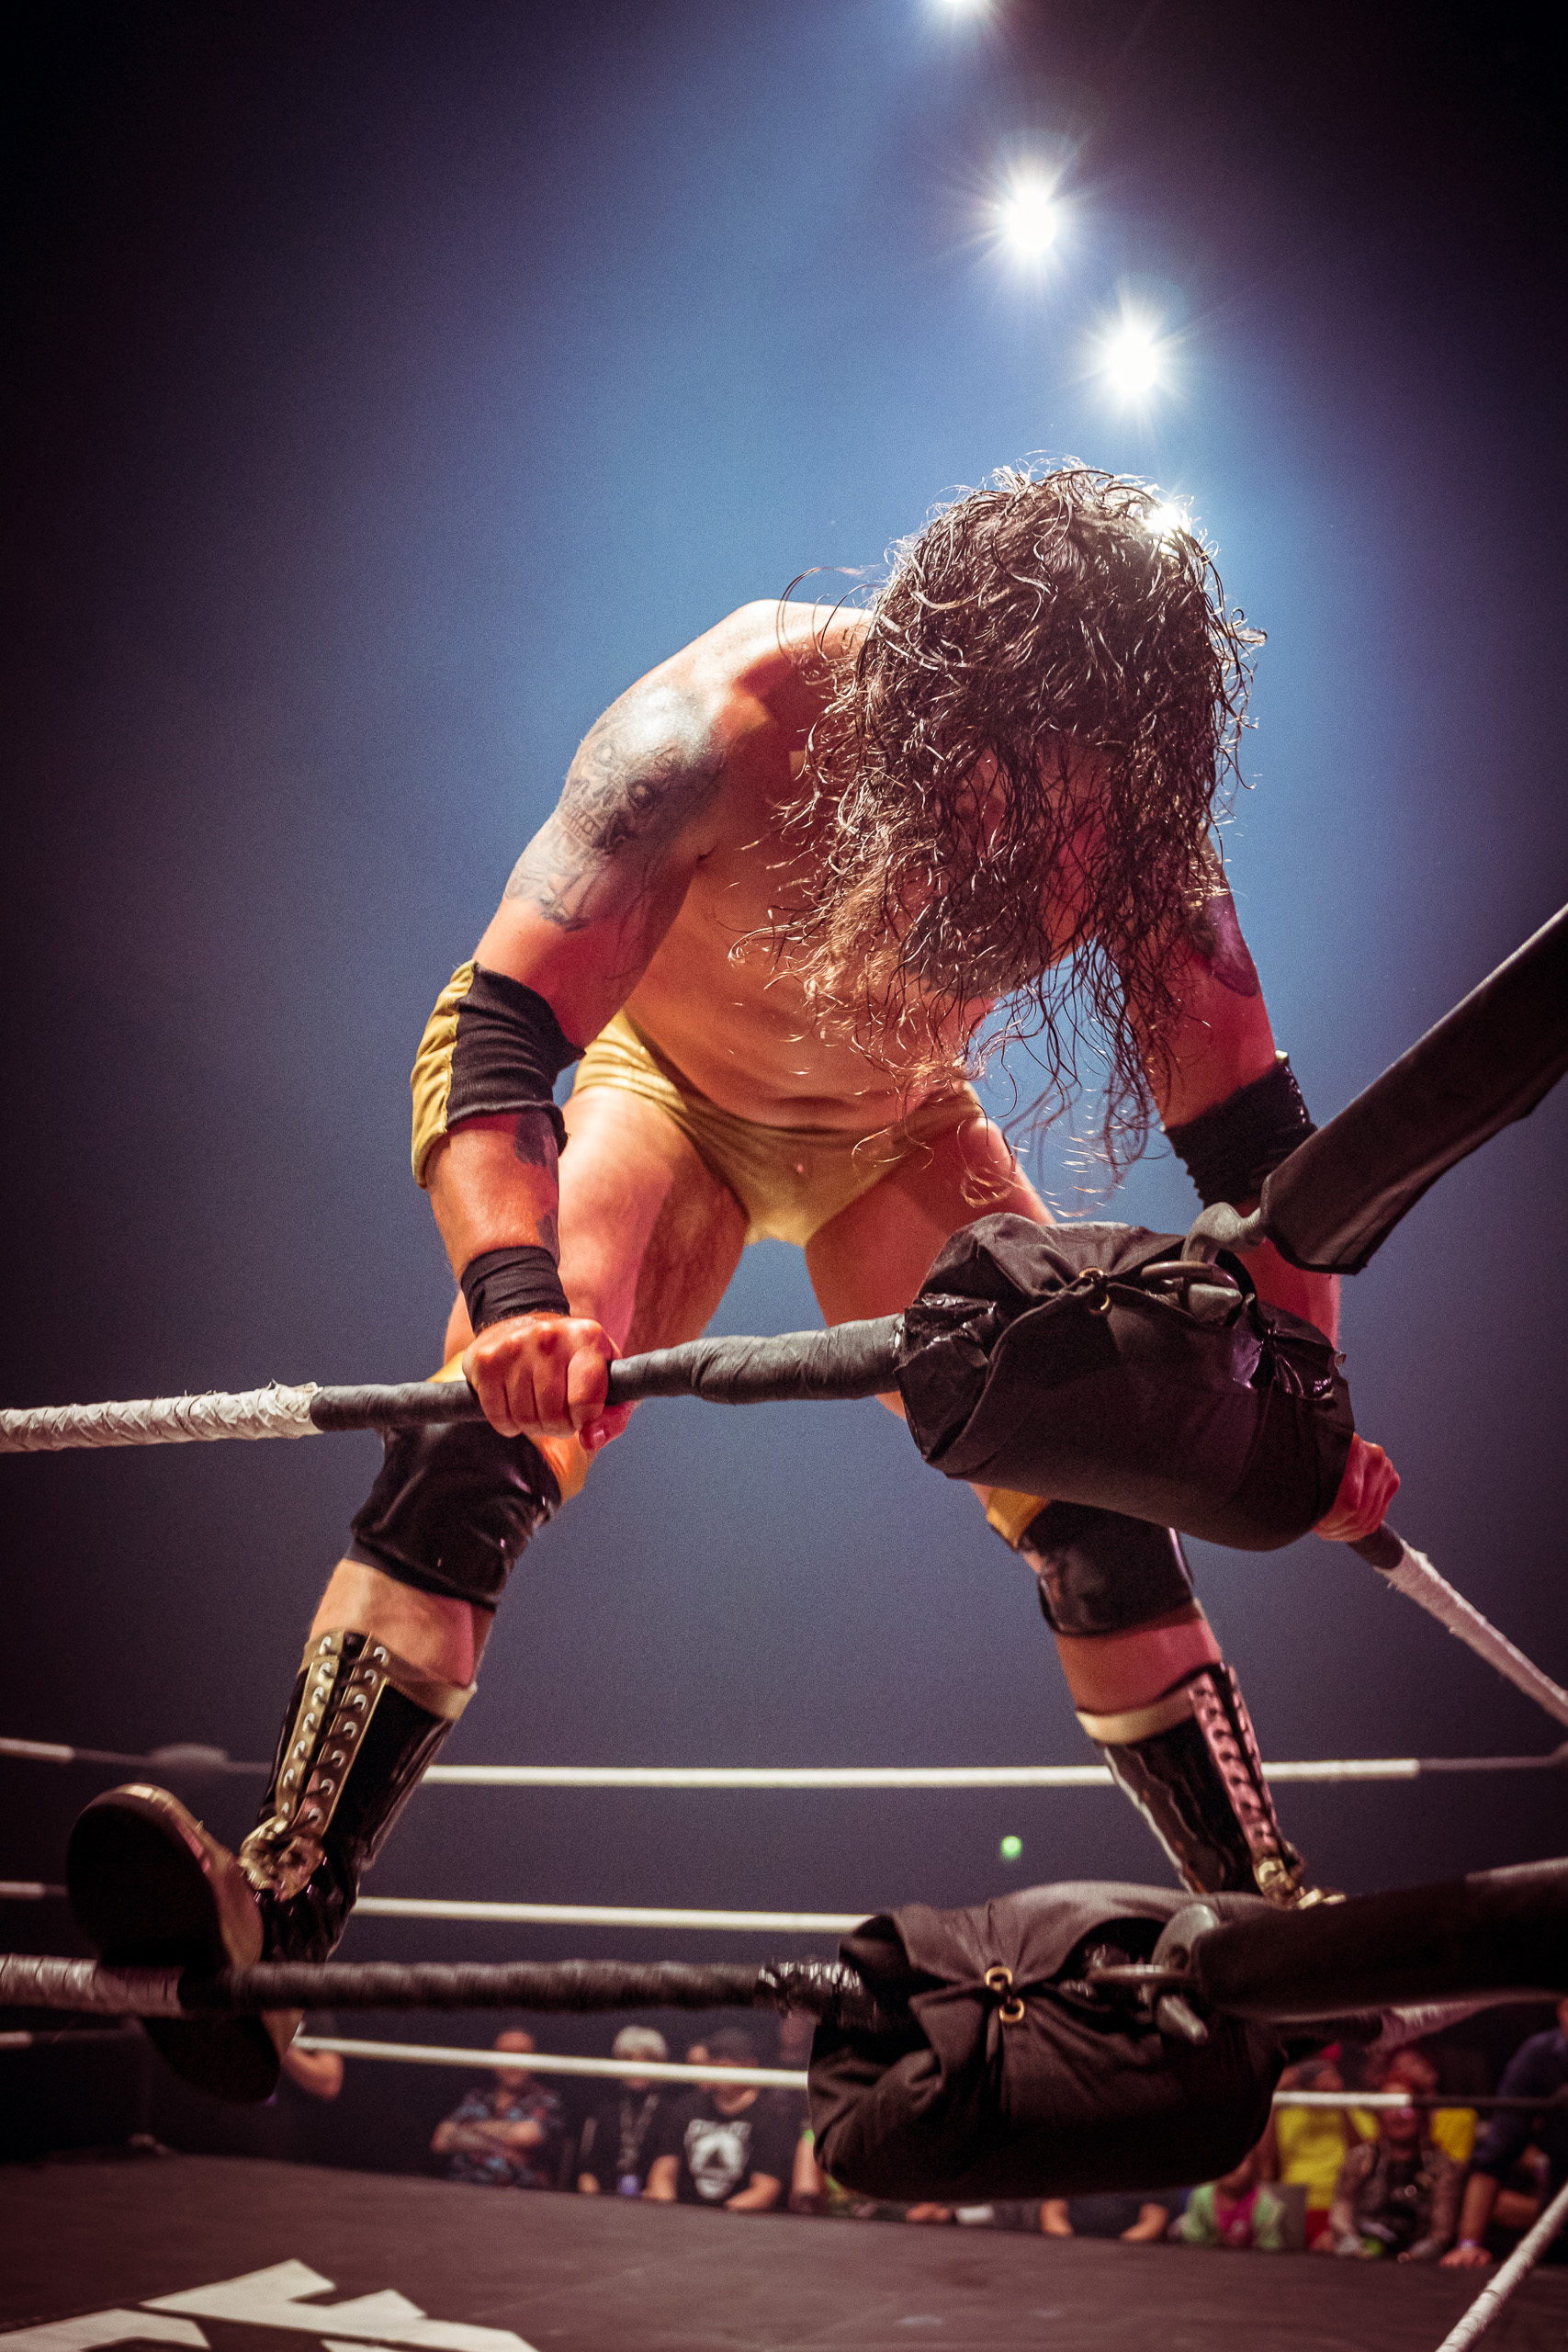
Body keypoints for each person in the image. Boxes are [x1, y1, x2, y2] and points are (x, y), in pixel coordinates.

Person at [64, 463, 1400, 2102]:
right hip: (670, 1098)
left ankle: (1269, 1934)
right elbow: (494, 1028)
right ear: (929, 708)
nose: (1028, 841)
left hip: (900, 1131)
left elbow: (1257, 1154)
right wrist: (511, 1294)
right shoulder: (726, 725)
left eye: (1077, 805)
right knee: (479, 1434)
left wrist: (1297, 1419)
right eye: (1003, 785)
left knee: (1103, 1486)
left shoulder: (1137, 845)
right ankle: (278, 1914)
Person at [1443, 1998, 1568, 2269]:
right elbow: (1494, 2155)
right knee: (1502, 2206)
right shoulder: (1538, 2055)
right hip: (1558, 2211)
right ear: (1561, 2011)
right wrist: (1468, 2245)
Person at [643, 2027, 795, 2211]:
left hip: (737, 2220)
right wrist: (670, 2212)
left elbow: (765, 2190)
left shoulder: (771, 2117)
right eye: (714, 2061)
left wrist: (717, 2222)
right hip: (683, 2212)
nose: (718, 2068)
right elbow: (662, 2173)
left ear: (750, 2064)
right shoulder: (688, 2107)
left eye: (726, 2063)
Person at [1320, 2081, 1461, 2261]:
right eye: (1389, 2110)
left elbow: (1442, 2230)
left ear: (1421, 2115)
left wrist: (1416, 2255)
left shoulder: (1440, 2165)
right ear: (1379, 2117)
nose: (1397, 2117)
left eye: (1405, 2109)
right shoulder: (1361, 2158)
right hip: (1360, 2256)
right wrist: (1349, 2242)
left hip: (1418, 2262)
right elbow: (1342, 2207)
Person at [430, 2029, 563, 2189]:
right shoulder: (477, 2097)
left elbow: (526, 2135)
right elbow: (442, 2139)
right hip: (459, 2189)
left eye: (521, 2054)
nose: (513, 2063)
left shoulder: (546, 2100)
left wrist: (466, 2132)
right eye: (505, 2054)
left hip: (518, 2196)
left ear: (534, 2059)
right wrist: (506, 2144)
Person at [576, 2027, 670, 2197]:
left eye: (646, 2058)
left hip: (650, 2202)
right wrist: (593, 2204)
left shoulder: (669, 2111)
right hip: (602, 2200)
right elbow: (586, 2171)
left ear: (658, 2063)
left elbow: (668, 2173)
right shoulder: (602, 2106)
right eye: (629, 2058)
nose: (637, 2066)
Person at [1178, 2146, 1288, 2250]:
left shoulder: (1267, 2205)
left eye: (1240, 2160)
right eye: (1226, 2160)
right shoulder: (1201, 2197)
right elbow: (1194, 2241)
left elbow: (1271, 2249)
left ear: (1254, 2165)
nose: (1233, 2168)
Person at [1043, 2192, 1175, 2242]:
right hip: (1069, 2245)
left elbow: (1153, 2220)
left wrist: (1118, 2250)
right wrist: (1068, 2244)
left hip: (1129, 2252)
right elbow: (1052, 2209)